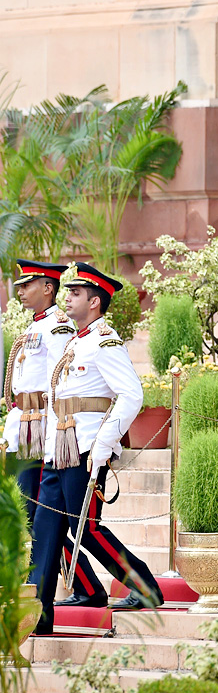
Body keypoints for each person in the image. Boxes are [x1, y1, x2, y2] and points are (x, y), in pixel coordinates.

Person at [30, 263, 163, 634]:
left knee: (86, 529)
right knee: (45, 530)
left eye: (74, 293)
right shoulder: (76, 340)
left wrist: (104, 444)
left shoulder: (105, 343)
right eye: (67, 291)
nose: (66, 297)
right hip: (61, 448)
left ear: (94, 301)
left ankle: (144, 586)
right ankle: (37, 616)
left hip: (87, 448)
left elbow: (131, 395)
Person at [2, 260, 104, 609]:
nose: (20, 291)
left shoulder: (57, 328)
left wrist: (50, 433)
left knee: (41, 517)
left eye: (27, 284)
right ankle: (84, 587)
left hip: (42, 429)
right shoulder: (37, 327)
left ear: (48, 288)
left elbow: (54, 384)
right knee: (37, 519)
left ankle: (87, 586)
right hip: (25, 426)